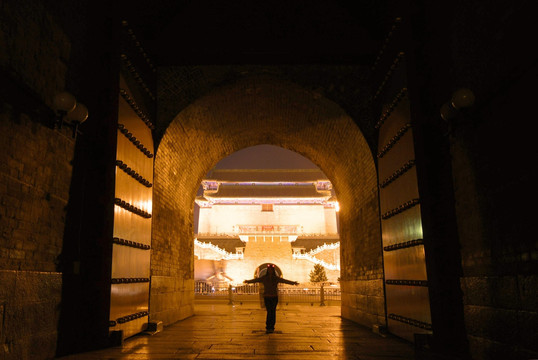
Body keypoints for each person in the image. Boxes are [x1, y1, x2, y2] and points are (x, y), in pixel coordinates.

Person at [243, 264, 299, 333]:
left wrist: (293, 283)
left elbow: (284, 281)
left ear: (273, 271)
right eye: (269, 270)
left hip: (274, 297)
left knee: (273, 312)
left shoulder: (276, 278)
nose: (270, 271)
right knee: (269, 312)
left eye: (271, 270)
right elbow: (256, 280)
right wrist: (248, 281)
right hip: (267, 297)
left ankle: (272, 327)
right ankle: (268, 326)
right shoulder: (264, 278)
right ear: (267, 271)